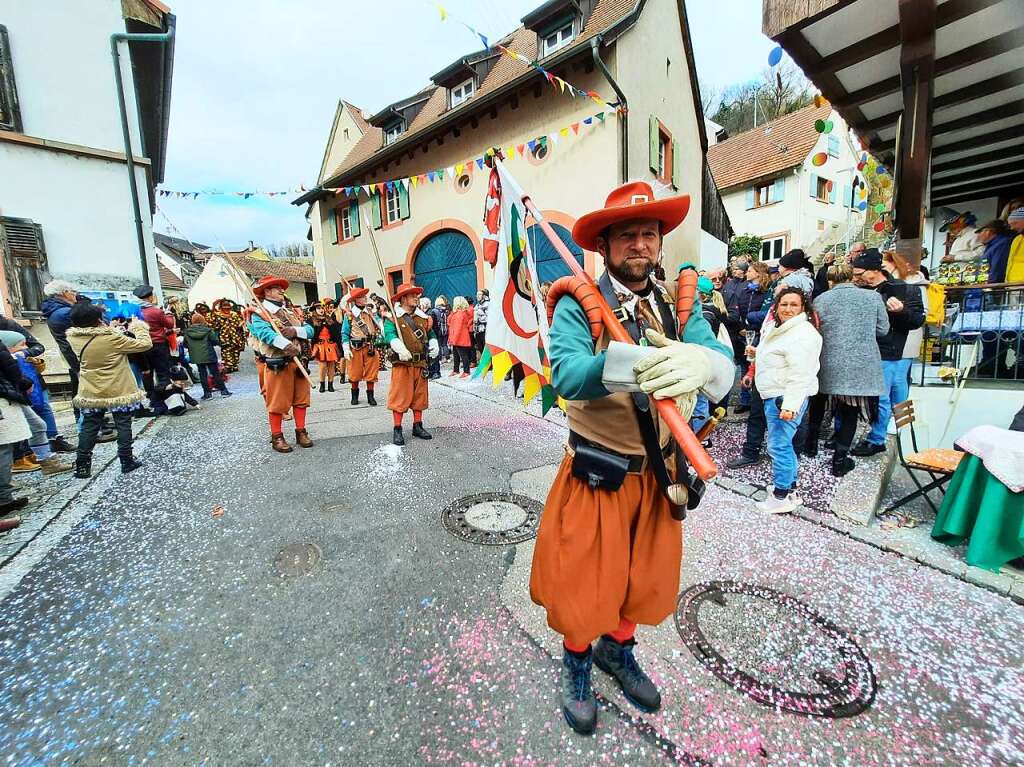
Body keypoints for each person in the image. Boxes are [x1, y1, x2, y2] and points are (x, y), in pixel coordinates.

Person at [529, 181, 734, 735]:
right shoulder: (579, 305)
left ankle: (616, 653)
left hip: (662, 476)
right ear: (606, 245)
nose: (639, 245)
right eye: (627, 236)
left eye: (649, 234)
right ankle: (577, 666)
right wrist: (630, 360)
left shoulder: (676, 303)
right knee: (584, 586)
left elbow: (716, 357)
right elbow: (567, 375)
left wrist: (702, 362)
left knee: (642, 579)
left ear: (660, 244)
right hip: (600, 473)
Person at [808, 264, 889, 475]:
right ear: (853, 278)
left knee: (818, 402)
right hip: (859, 363)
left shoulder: (820, 300)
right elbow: (883, 329)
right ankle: (839, 460)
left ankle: (810, 446)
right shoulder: (872, 297)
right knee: (850, 411)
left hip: (827, 359)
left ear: (830, 281)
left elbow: (814, 329)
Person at [751, 287, 821, 513]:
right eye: (784, 304)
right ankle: (789, 490)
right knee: (785, 445)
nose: (788, 309)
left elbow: (801, 374)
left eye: (794, 305)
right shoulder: (779, 328)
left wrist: (790, 405)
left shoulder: (803, 334)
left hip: (784, 398)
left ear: (803, 308)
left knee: (779, 445)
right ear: (776, 306)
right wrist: (756, 354)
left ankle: (780, 496)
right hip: (775, 394)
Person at [850, 249, 925, 456]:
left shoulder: (904, 289)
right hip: (867, 352)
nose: (855, 278)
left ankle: (880, 438)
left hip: (890, 352)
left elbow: (917, 320)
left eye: (859, 273)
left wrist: (901, 311)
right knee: (877, 397)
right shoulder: (861, 291)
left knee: (887, 397)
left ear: (875, 270)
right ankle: (893, 431)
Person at [67, 302, 153, 477]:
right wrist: (138, 326)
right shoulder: (112, 338)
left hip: (90, 388)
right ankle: (126, 460)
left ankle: (82, 465)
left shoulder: (73, 338)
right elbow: (144, 344)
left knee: (89, 426)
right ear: (99, 319)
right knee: (123, 423)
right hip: (118, 387)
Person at [247, 276, 315, 453]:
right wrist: (286, 345)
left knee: (301, 400)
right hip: (278, 362)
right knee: (277, 402)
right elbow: (264, 334)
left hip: (299, 361)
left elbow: (310, 330)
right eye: (277, 288)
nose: (282, 291)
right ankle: (277, 436)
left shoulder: (291, 312)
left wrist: (294, 330)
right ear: (267, 292)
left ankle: (301, 432)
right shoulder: (260, 314)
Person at [383, 283, 438, 445]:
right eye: (412, 295)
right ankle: (397, 429)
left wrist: (434, 343)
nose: (416, 297)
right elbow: (389, 335)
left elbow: (430, 332)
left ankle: (417, 426)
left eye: (416, 295)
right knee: (399, 396)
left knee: (419, 396)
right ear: (403, 299)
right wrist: (399, 348)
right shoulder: (393, 317)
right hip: (402, 363)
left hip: (420, 362)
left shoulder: (423, 317)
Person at [133, 284, 176, 416]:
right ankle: (166, 399)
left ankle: (153, 400)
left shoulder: (135, 311)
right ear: (150, 297)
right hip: (158, 345)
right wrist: (168, 314)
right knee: (162, 372)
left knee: (147, 374)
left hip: (141, 346)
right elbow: (169, 324)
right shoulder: (155, 311)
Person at [340, 287, 380, 406]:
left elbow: (379, 324)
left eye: (364, 296)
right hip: (355, 347)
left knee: (371, 373)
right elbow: (344, 332)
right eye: (362, 296)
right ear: (356, 300)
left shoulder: (370, 312)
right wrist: (346, 348)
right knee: (354, 373)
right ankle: (354, 396)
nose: (365, 298)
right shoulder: (350, 315)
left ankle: (370, 396)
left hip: (370, 346)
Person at [183, 313, 231, 399]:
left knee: (202, 374)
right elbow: (215, 341)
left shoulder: (187, 332)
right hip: (209, 354)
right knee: (215, 373)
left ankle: (207, 394)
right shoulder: (208, 330)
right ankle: (224, 391)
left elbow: (185, 344)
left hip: (196, 356)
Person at [309, 301, 342, 393]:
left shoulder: (329, 319)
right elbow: (312, 334)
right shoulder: (312, 320)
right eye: (318, 308)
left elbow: (336, 331)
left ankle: (330, 385)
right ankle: (322, 384)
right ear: (315, 310)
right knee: (322, 366)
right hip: (320, 345)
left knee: (331, 365)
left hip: (330, 345)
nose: (321, 310)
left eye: (322, 308)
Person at [208, 299, 247, 374]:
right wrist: (213, 307)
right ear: (221, 307)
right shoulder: (218, 315)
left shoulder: (234, 314)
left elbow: (240, 322)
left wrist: (241, 324)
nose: (226, 308)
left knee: (236, 351)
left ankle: (234, 365)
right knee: (226, 351)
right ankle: (228, 366)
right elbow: (212, 323)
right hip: (224, 337)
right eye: (224, 307)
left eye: (228, 307)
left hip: (235, 336)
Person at [977, 219, 1014, 284]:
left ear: (988, 232)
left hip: (993, 288)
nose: (978, 236)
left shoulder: (1002, 244)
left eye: (980, 232)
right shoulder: (992, 245)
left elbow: (997, 272)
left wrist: (982, 283)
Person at [448, 296, 475, 377]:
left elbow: (458, 327)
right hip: (458, 336)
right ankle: (456, 370)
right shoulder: (460, 312)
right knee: (456, 354)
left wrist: (454, 339)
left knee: (463, 355)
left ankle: (466, 371)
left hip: (459, 336)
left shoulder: (460, 314)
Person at [427, 297, 450, 377]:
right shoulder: (446, 310)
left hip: (439, 331)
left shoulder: (434, 311)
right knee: (445, 345)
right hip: (446, 330)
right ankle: (447, 357)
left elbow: (434, 323)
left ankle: (440, 358)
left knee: (439, 346)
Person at [1007, 207, 1024, 283]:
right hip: (1012, 286)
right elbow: (1010, 263)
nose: (1012, 228)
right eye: (1010, 225)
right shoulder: (1017, 239)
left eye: (1014, 223)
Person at [473, 289, 490, 354]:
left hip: (485, 329)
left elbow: (489, 317)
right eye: (477, 294)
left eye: (479, 294)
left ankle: (489, 363)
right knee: (480, 347)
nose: (477, 296)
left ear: (484, 296)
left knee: (486, 348)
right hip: (478, 330)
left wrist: (481, 318)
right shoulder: (477, 305)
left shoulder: (488, 304)